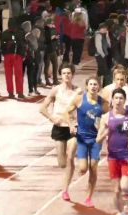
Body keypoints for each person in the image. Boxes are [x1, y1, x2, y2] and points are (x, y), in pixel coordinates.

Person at [40, 63, 83, 200]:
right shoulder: (56, 90)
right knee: (62, 163)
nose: (66, 75)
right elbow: (42, 108)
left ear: (73, 74)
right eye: (64, 73)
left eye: (69, 73)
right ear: (60, 75)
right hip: (59, 127)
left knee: (70, 157)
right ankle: (68, 170)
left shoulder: (78, 91)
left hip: (73, 127)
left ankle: (65, 190)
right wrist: (52, 118)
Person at [66, 77, 110, 207]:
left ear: (99, 87)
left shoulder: (103, 103)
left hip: (96, 139)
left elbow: (109, 118)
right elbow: (67, 112)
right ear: (86, 86)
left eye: (95, 84)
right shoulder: (79, 99)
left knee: (93, 167)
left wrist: (103, 128)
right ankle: (76, 176)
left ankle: (89, 197)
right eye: (90, 84)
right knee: (83, 168)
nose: (93, 87)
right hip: (82, 138)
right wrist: (71, 124)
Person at [96, 88, 128, 215]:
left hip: (127, 156)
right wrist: (107, 131)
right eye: (116, 98)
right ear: (112, 100)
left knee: (125, 187)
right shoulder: (106, 117)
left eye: (121, 98)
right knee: (116, 190)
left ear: (125, 101)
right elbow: (98, 139)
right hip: (112, 157)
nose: (118, 101)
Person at [0, 18, 26, 99]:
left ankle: (10, 92)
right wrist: (23, 54)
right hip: (17, 55)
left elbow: (2, 45)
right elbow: (22, 44)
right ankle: (20, 92)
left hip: (7, 55)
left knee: (8, 74)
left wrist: (4, 53)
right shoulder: (20, 33)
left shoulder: (4, 33)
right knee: (18, 74)